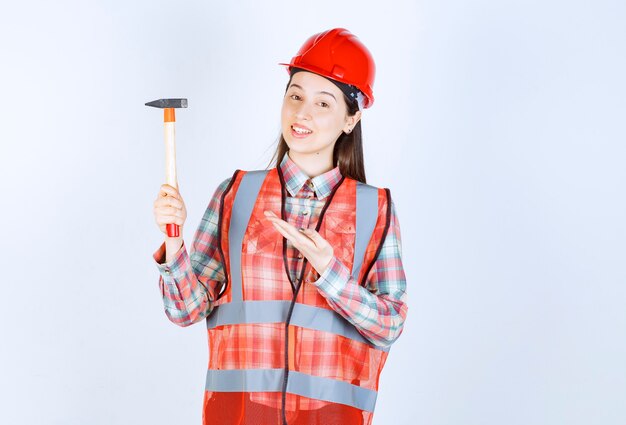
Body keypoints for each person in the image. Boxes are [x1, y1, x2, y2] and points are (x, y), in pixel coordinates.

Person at [152, 27, 408, 425]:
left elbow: (389, 325)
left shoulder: (374, 209)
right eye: (295, 95)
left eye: (323, 103)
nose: (302, 113)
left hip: (332, 417)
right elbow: (184, 310)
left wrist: (331, 272)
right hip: (241, 415)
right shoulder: (237, 195)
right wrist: (173, 239)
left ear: (351, 117)